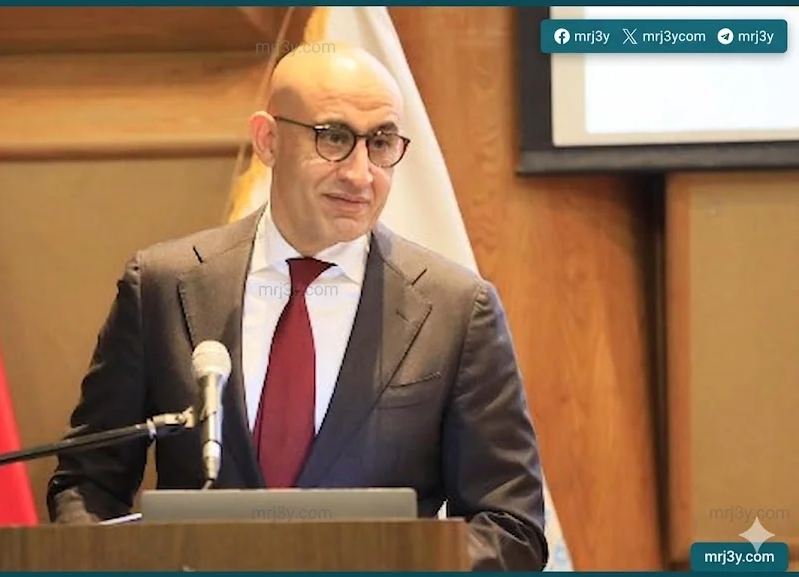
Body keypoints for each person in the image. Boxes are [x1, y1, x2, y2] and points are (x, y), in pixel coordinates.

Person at [47, 45, 548, 571]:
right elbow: (87, 482)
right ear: (268, 139)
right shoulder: (161, 285)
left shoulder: (456, 310)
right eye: (334, 138)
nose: (360, 174)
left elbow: (510, 526)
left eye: (380, 143)